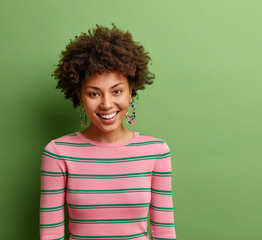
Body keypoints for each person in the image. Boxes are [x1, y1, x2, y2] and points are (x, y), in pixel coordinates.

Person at [40, 23, 177, 240]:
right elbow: (51, 233)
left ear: (131, 91)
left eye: (117, 91)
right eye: (94, 94)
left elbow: (164, 232)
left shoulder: (156, 151)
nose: (106, 104)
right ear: (79, 96)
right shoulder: (58, 152)